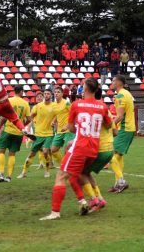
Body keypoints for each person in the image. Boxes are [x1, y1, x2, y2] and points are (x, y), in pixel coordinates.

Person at [40, 77, 112, 220]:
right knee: (77, 175)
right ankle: (87, 200)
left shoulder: (76, 105)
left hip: (79, 147)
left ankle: (55, 212)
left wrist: (79, 130)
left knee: (60, 176)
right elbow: (109, 125)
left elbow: (71, 128)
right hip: (93, 150)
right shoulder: (103, 106)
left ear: (84, 89)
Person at [80, 89, 117, 212]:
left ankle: (94, 199)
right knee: (86, 172)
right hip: (109, 150)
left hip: (98, 149)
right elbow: (115, 132)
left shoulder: (92, 109)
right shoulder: (106, 110)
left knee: (80, 173)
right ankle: (99, 199)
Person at [0, 86, 32, 182]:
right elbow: (29, 120)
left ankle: (1, 174)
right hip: (18, 133)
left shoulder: (9, 101)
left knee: (1, 151)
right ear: (21, 92)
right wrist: (21, 125)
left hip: (8, 130)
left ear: (14, 91)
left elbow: (4, 117)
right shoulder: (25, 103)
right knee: (12, 154)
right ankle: (9, 177)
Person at [18, 89, 56, 178]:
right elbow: (30, 117)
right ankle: (24, 172)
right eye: (45, 94)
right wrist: (25, 127)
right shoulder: (37, 106)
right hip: (38, 134)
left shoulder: (54, 106)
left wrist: (54, 121)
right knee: (32, 154)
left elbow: (58, 115)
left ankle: (47, 171)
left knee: (46, 151)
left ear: (51, 95)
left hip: (49, 134)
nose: (46, 95)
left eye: (48, 94)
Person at [108, 75, 135, 193]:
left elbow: (119, 116)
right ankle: (118, 183)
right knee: (118, 156)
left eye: (113, 80)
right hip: (129, 128)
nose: (112, 82)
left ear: (119, 83)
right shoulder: (126, 93)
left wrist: (108, 127)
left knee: (111, 156)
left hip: (125, 128)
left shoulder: (120, 95)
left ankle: (121, 182)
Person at [50, 86, 74, 167]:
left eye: (58, 92)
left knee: (66, 151)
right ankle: (63, 165)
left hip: (68, 131)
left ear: (62, 94)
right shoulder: (53, 105)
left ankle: (68, 168)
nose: (56, 93)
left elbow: (73, 115)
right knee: (53, 150)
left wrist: (67, 126)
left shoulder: (66, 103)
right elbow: (57, 115)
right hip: (60, 131)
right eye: (55, 92)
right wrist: (53, 121)